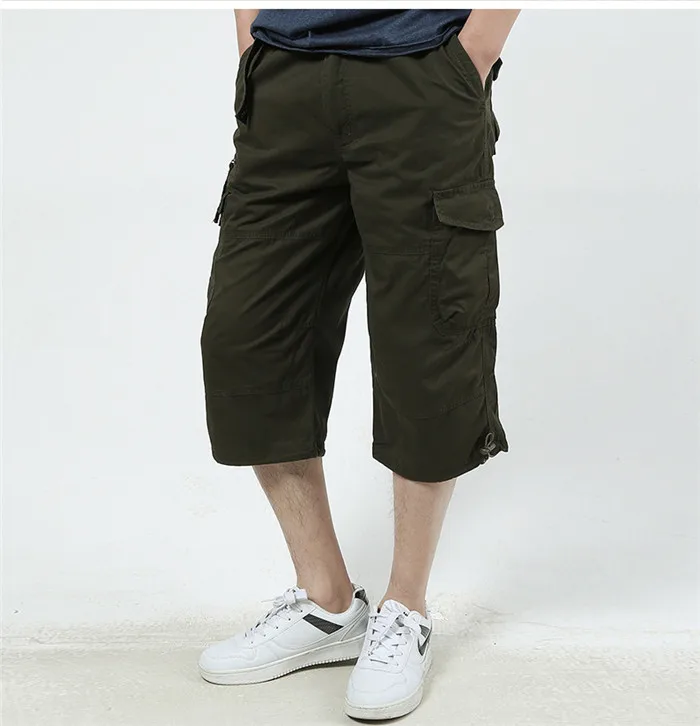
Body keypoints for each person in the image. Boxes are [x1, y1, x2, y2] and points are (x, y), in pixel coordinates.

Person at [199, 9, 520, 720]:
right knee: (247, 340)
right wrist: (252, 37)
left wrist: (473, 49)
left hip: (424, 70)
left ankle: (406, 608)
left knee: (428, 345)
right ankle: (326, 604)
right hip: (284, 72)